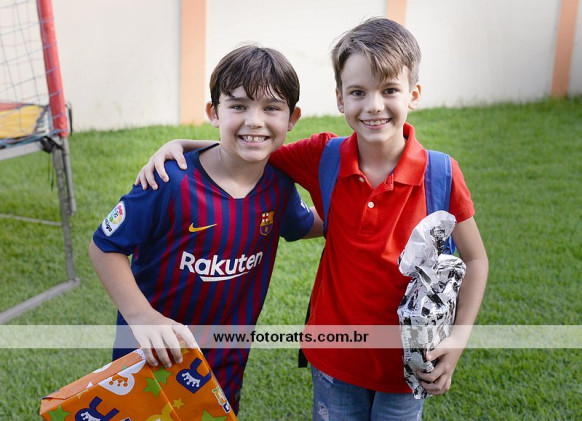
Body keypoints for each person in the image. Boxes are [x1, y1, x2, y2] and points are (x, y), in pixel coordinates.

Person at [136, 18, 489, 421]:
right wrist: (180, 145)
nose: (374, 105)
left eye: (389, 90)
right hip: (334, 360)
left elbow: (476, 259)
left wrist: (457, 341)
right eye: (358, 92)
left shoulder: (441, 174)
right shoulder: (323, 156)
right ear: (340, 99)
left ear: (414, 94)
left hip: (409, 364)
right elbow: (253, 145)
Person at [89, 44, 321, 414]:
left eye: (271, 108)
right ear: (214, 112)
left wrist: (355, 217)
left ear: (292, 117)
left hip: (224, 362)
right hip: (152, 353)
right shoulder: (170, 180)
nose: (254, 120)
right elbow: (105, 246)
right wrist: (142, 317)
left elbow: (303, 223)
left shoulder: (278, 184)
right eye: (238, 106)